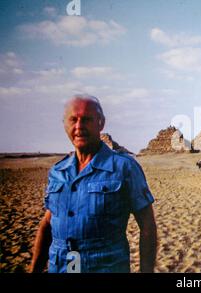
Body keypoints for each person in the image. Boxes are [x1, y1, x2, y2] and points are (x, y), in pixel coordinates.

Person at [29, 94, 157, 273]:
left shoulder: (124, 168)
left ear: (101, 123)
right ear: (65, 124)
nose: (79, 126)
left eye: (87, 119)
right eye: (73, 119)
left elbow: (147, 224)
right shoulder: (58, 172)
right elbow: (48, 223)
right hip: (62, 267)